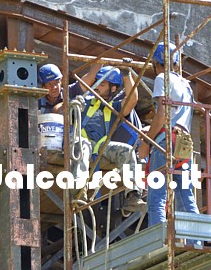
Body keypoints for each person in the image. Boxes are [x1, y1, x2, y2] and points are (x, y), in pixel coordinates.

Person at [137, 43, 198, 227]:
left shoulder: (162, 78)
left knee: (157, 197)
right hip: (184, 145)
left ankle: (158, 245)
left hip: (165, 143)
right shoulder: (186, 85)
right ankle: (196, 241)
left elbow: (162, 113)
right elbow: (179, 115)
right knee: (185, 196)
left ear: (156, 63)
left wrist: (147, 142)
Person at [80, 65, 145, 211]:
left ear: (113, 88)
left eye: (102, 84)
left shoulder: (114, 107)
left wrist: (126, 75)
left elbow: (132, 99)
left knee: (127, 151)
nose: (97, 86)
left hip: (102, 147)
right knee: (82, 145)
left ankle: (133, 195)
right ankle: (79, 189)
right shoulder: (84, 101)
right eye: (97, 82)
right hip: (81, 144)